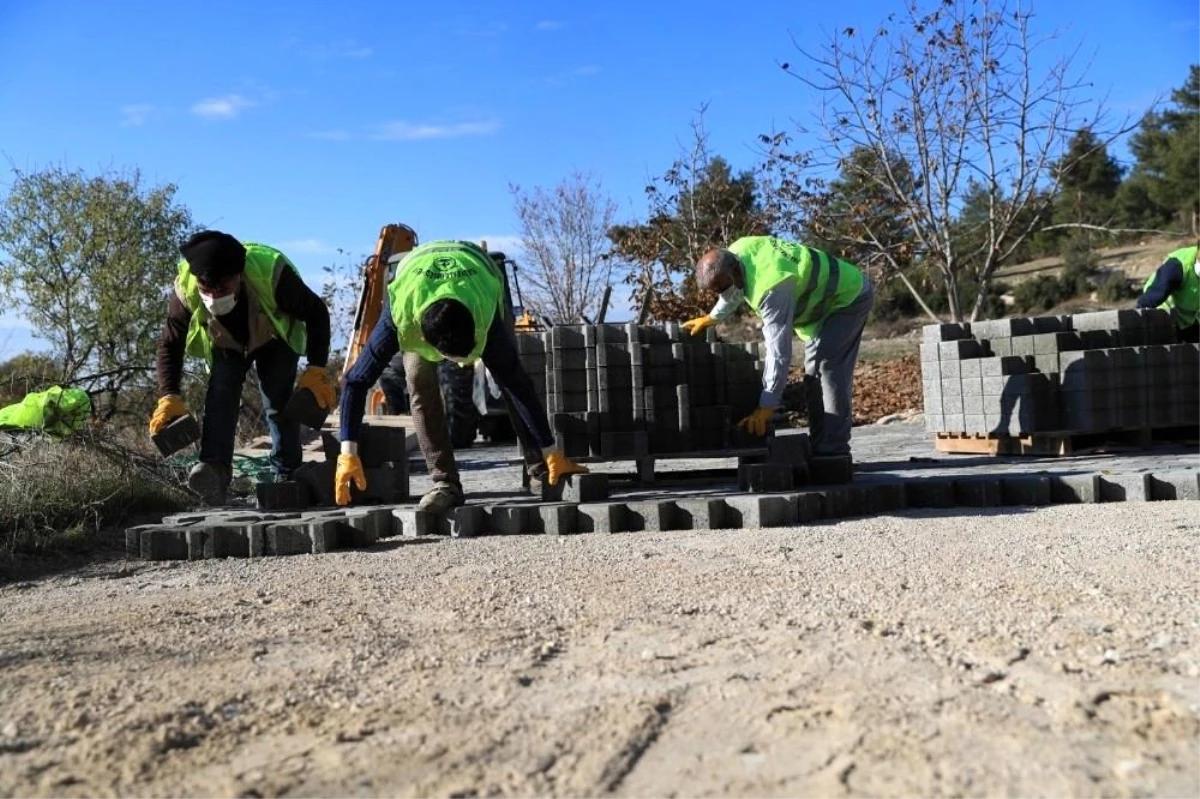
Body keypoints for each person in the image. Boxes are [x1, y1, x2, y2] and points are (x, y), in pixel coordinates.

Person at [336, 239, 587, 510]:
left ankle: (541, 467)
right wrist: (347, 452)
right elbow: (355, 380)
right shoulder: (400, 314)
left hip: (477, 271)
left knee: (508, 377)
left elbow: (518, 383)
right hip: (416, 281)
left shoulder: (484, 308)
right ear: (426, 340)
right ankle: (445, 484)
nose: (463, 365)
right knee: (420, 386)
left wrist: (551, 449)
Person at [149, 230, 335, 505]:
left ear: (238, 276)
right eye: (206, 290)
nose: (213, 297)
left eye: (222, 289)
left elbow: (318, 313)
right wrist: (168, 396)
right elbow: (170, 343)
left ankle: (286, 474)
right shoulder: (186, 288)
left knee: (278, 399)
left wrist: (316, 370)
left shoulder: (272, 276)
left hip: (274, 334)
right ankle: (213, 470)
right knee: (220, 394)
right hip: (227, 340)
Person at [681, 236, 873, 457]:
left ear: (734, 270)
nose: (725, 292)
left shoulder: (771, 286)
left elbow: (779, 352)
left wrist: (766, 406)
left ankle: (834, 453)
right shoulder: (738, 251)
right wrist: (713, 317)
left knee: (826, 369)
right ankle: (821, 445)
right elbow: (733, 289)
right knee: (814, 376)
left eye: (724, 286)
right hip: (823, 306)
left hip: (847, 298)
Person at [1136, 239, 1200, 342]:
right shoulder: (1178, 265)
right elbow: (1154, 296)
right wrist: (1136, 318)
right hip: (1165, 314)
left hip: (1191, 319)